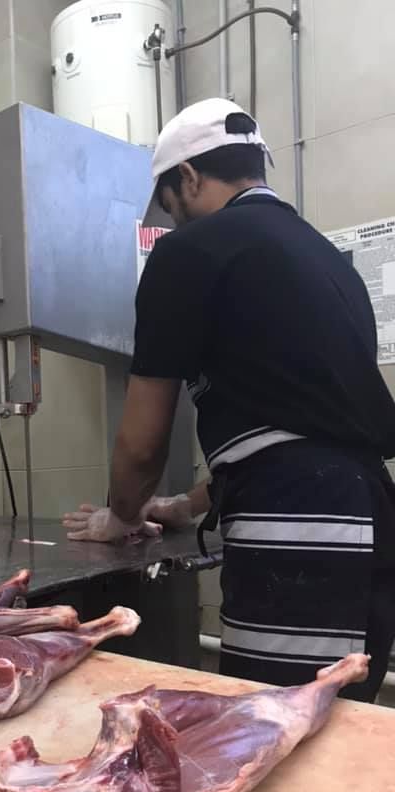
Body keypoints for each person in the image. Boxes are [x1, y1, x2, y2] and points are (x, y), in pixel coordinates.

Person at [63, 98, 395, 703]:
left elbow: (142, 442)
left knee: (273, 738)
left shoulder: (186, 253)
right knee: (344, 728)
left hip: (300, 532)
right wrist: (183, 506)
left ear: (187, 178)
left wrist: (124, 516)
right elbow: (300, 433)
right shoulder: (329, 261)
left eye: (171, 209)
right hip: (371, 520)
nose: (175, 224)